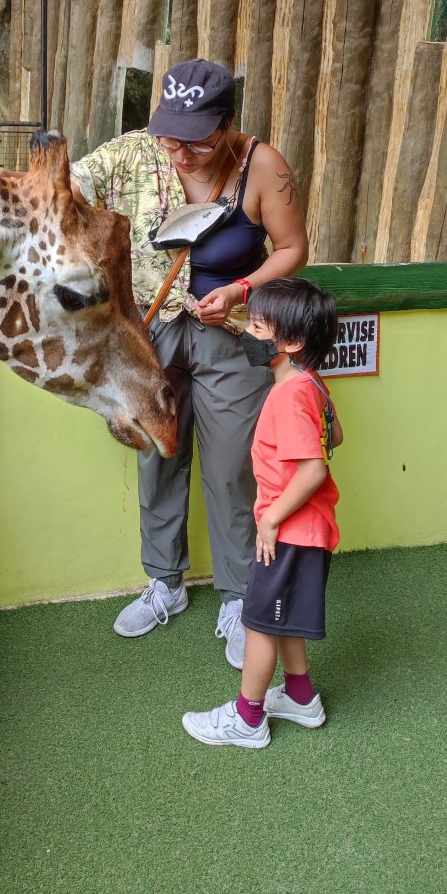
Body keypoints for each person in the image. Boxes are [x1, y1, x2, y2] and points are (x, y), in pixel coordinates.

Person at [70, 59, 309, 668]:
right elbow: (67, 186)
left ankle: (238, 597)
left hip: (229, 329)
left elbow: (293, 249)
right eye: (169, 136)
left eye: (196, 139)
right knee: (159, 455)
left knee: (233, 466)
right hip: (153, 331)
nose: (179, 151)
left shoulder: (263, 166)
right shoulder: (136, 153)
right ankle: (164, 583)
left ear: (227, 123)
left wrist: (240, 289)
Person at [181, 277, 342, 746]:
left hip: (288, 532)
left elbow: (313, 469)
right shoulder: (311, 383)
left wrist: (271, 519)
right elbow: (335, 437)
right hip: (307, 528)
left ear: (290, 342)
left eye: (256, 327)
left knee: (258, 623)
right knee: (280, 615)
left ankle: (247, 719)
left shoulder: (288, 396)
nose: (247, 334)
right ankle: (300, 697)